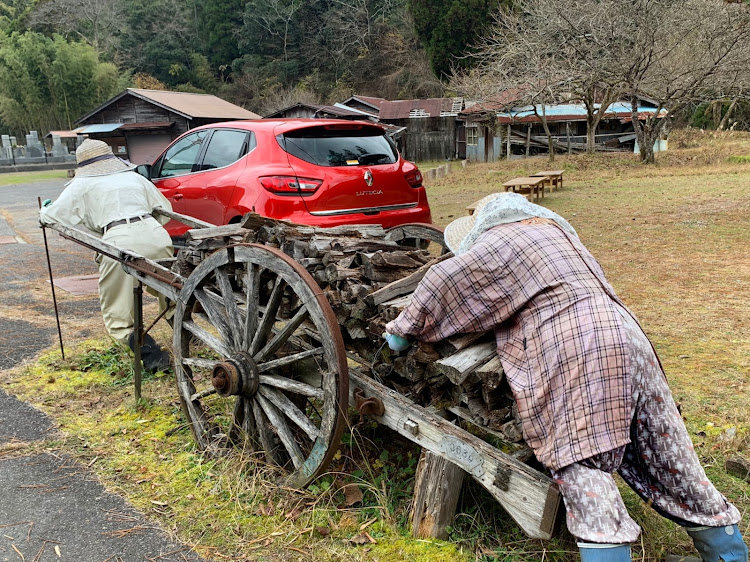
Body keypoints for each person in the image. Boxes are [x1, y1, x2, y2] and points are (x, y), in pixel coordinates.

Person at [384, 192, 747, 562]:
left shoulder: (497, 240)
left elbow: (445, 278)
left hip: (578, 345)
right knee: (666, 445)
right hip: (627, 334)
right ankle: (729, 555)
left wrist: (401, 331)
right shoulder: (560, 235)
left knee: (584, 457)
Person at [40, 139, 173, 373]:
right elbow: (165, 210)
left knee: (118, 313)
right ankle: (188, 333)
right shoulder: (135, 178)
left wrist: (44, 211)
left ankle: (153, 357)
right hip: (155, 233)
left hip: (119, 240)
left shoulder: (80, 185)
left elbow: (52, 217)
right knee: (168, 290)